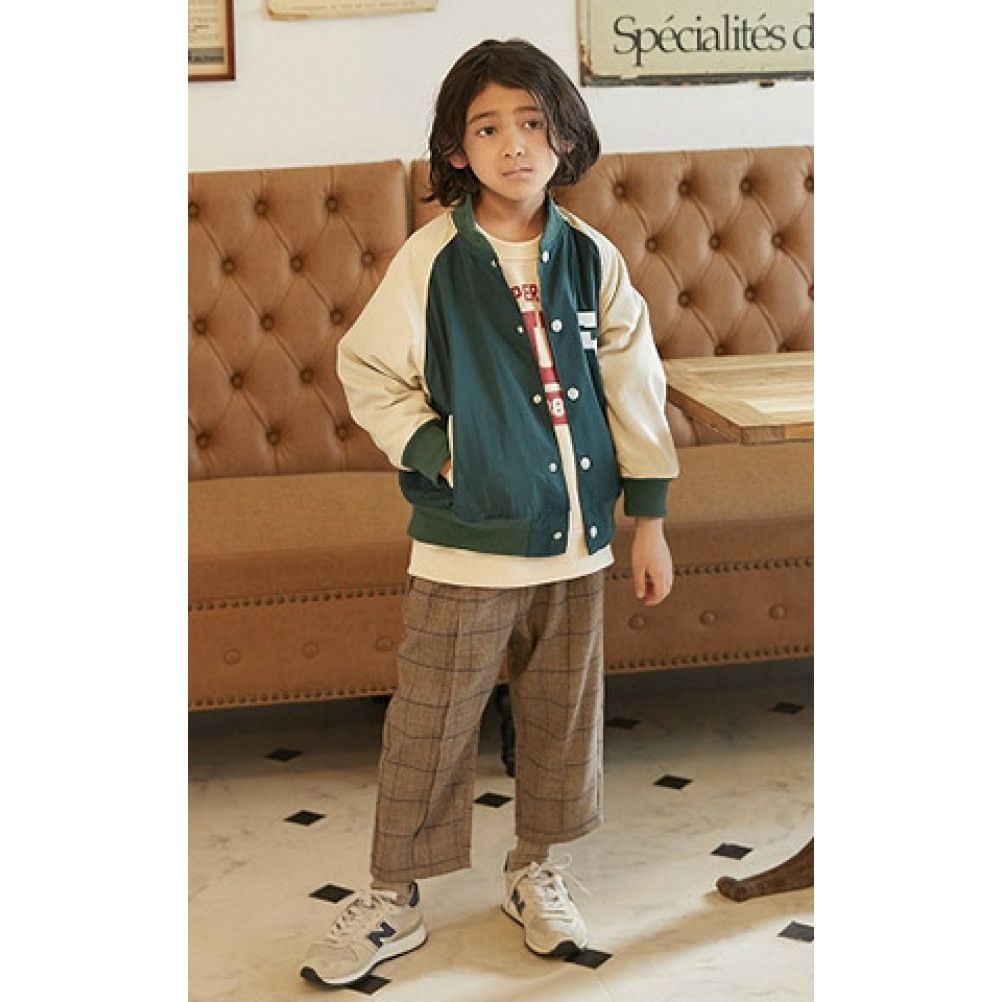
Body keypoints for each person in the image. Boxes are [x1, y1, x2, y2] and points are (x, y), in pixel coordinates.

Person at [300, 37, 679, 989]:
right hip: (466, 544)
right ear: (456, 149)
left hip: (578, 541)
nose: (514, 144)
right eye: (488, 127)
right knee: (429, 723)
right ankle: (393, 897)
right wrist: (439, 450)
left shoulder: (591, 257)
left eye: (533, 122)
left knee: (561, 716)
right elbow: (367, 368)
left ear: (564, 136)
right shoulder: (432, 259)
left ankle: (536, 870)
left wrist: (648, 519)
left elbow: (635, 386)